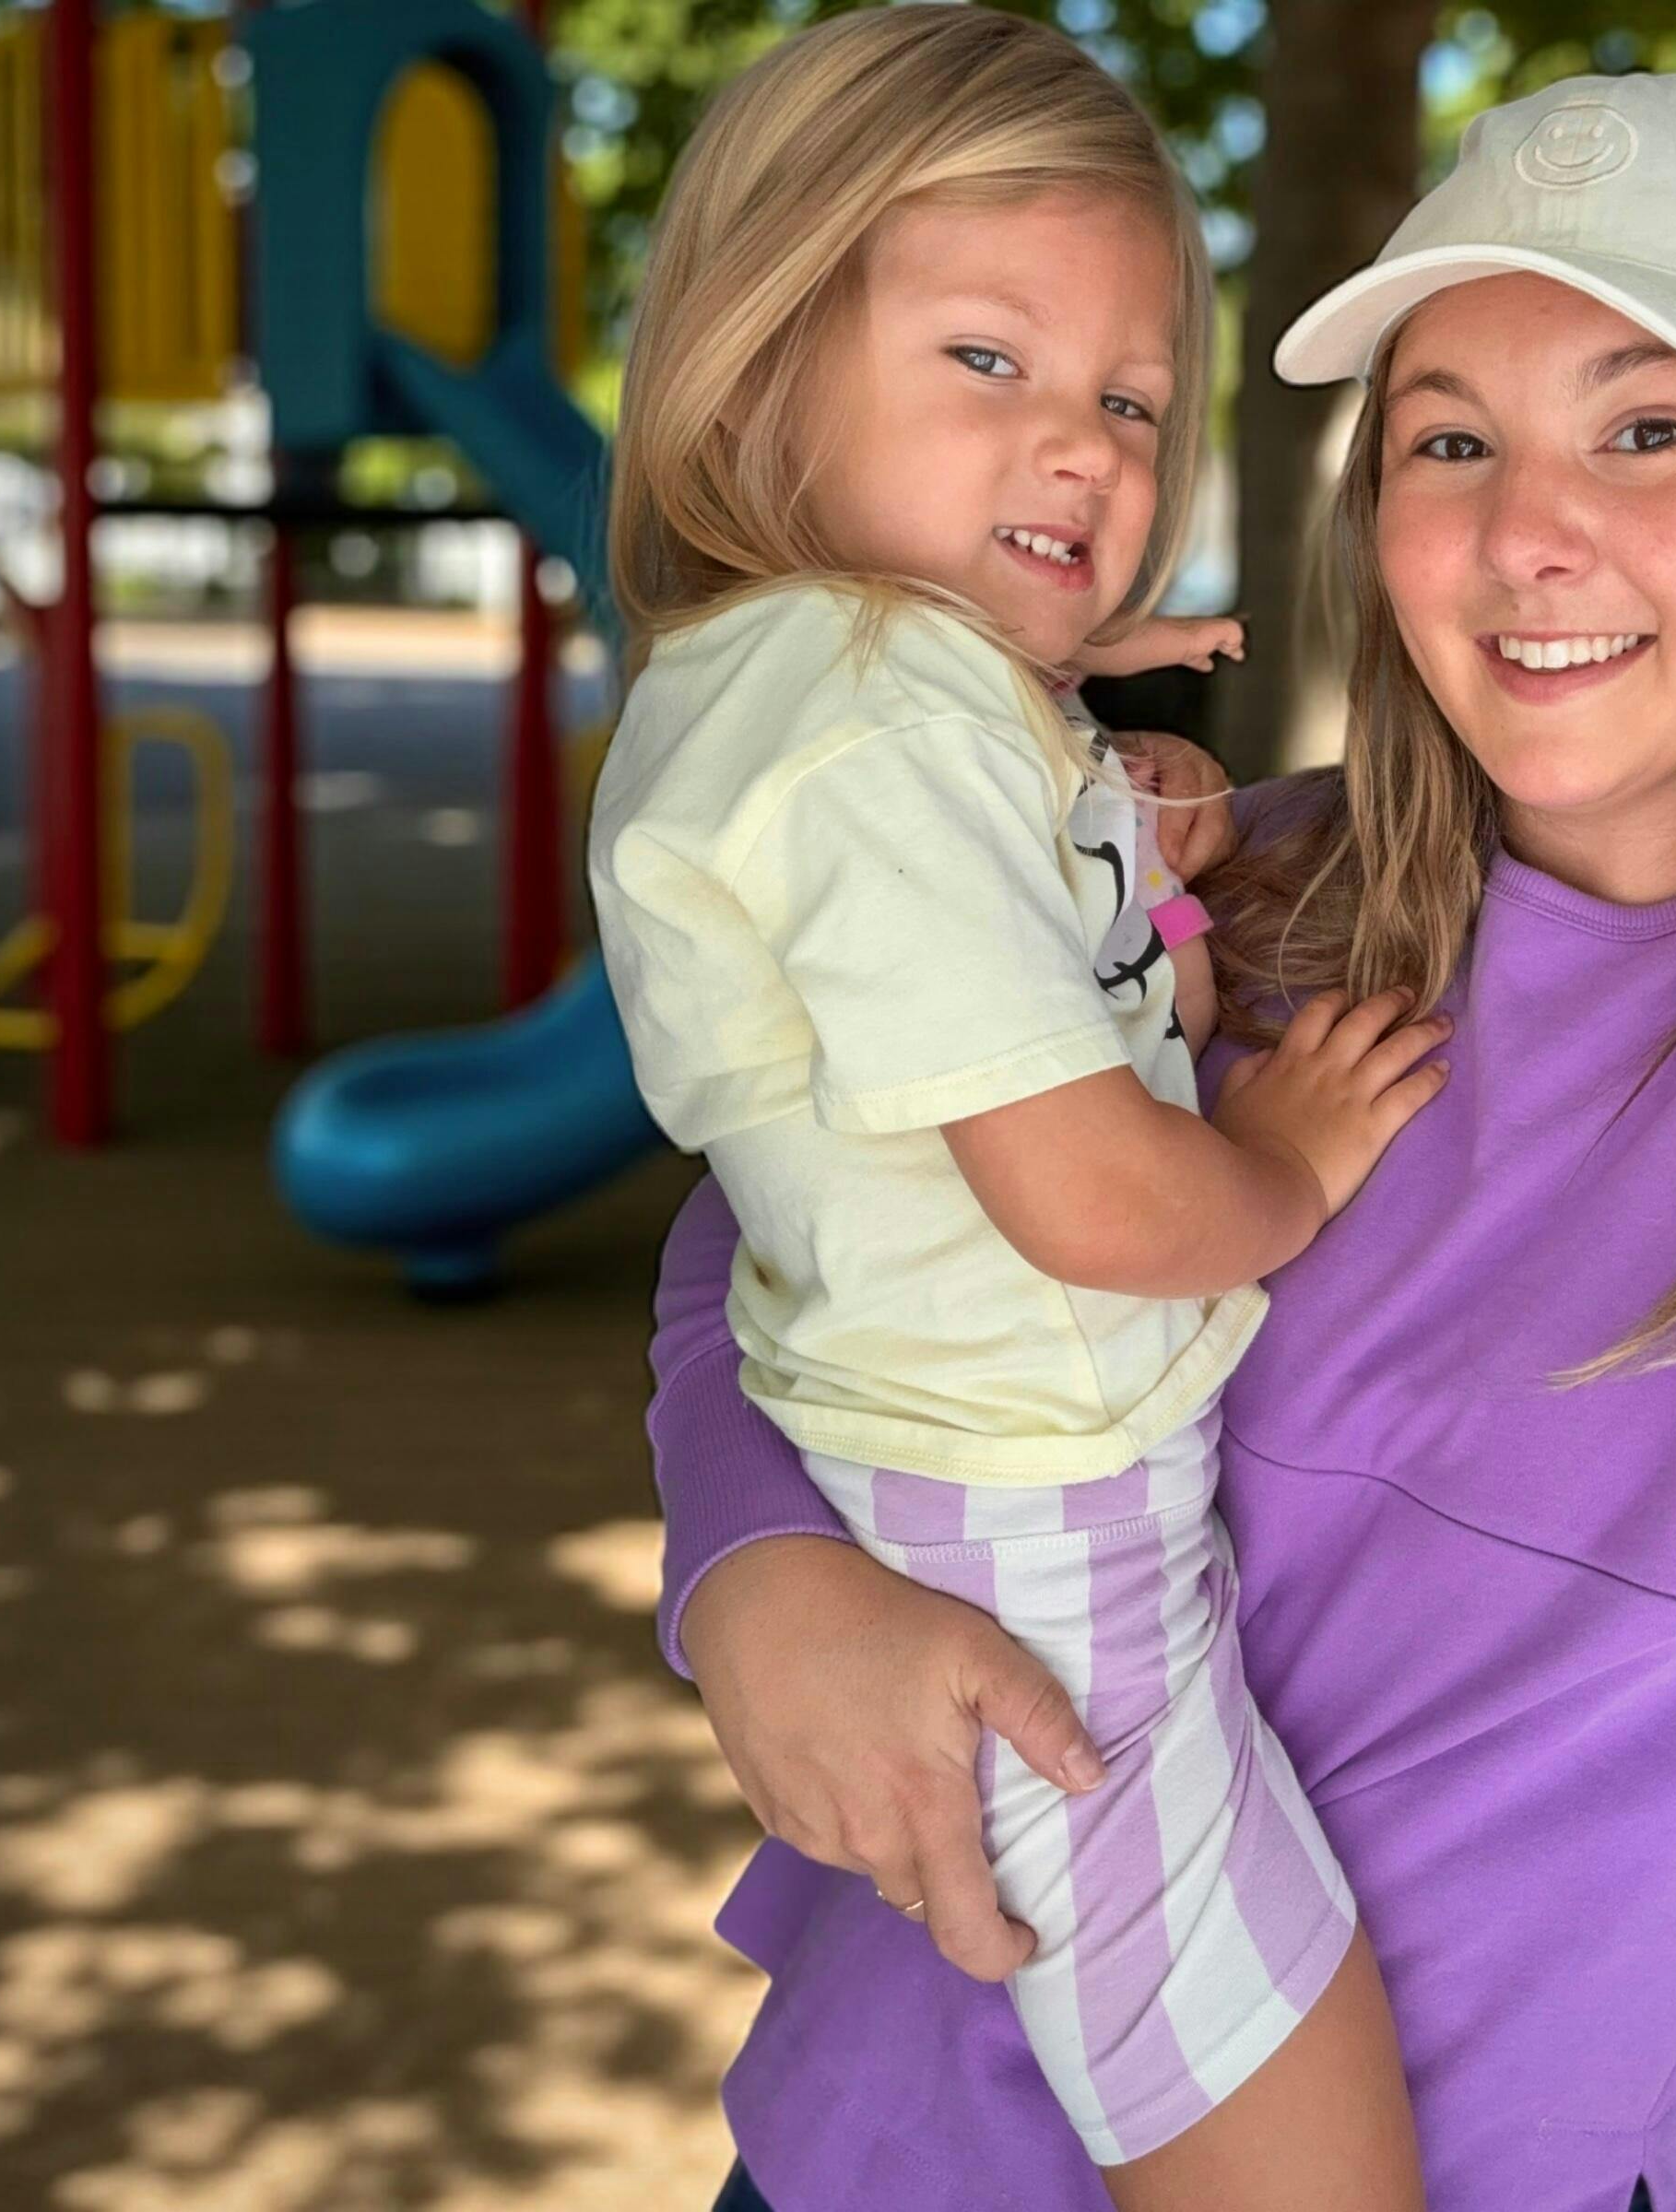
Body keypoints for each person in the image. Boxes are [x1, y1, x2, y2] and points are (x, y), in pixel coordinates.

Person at [645, 67, 1676, 2212]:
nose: (1525, 529)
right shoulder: (1224, 892)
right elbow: (799, 1199)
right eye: (1450, 441)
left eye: (1648, 431)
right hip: (894, 2142)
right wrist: (754, 1562)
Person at [587, 9, 1441, 2207]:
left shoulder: (876, 687)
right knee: (1299, 2159)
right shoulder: (874, 721)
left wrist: (1110, 813)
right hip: (1043, 1527)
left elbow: (1042, 989)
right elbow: (1091, 1197)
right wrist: (1289, 1164)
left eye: (1130, 402)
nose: (1079, 445)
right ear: (757, 369)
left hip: (995, 1478)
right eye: (989, 360)